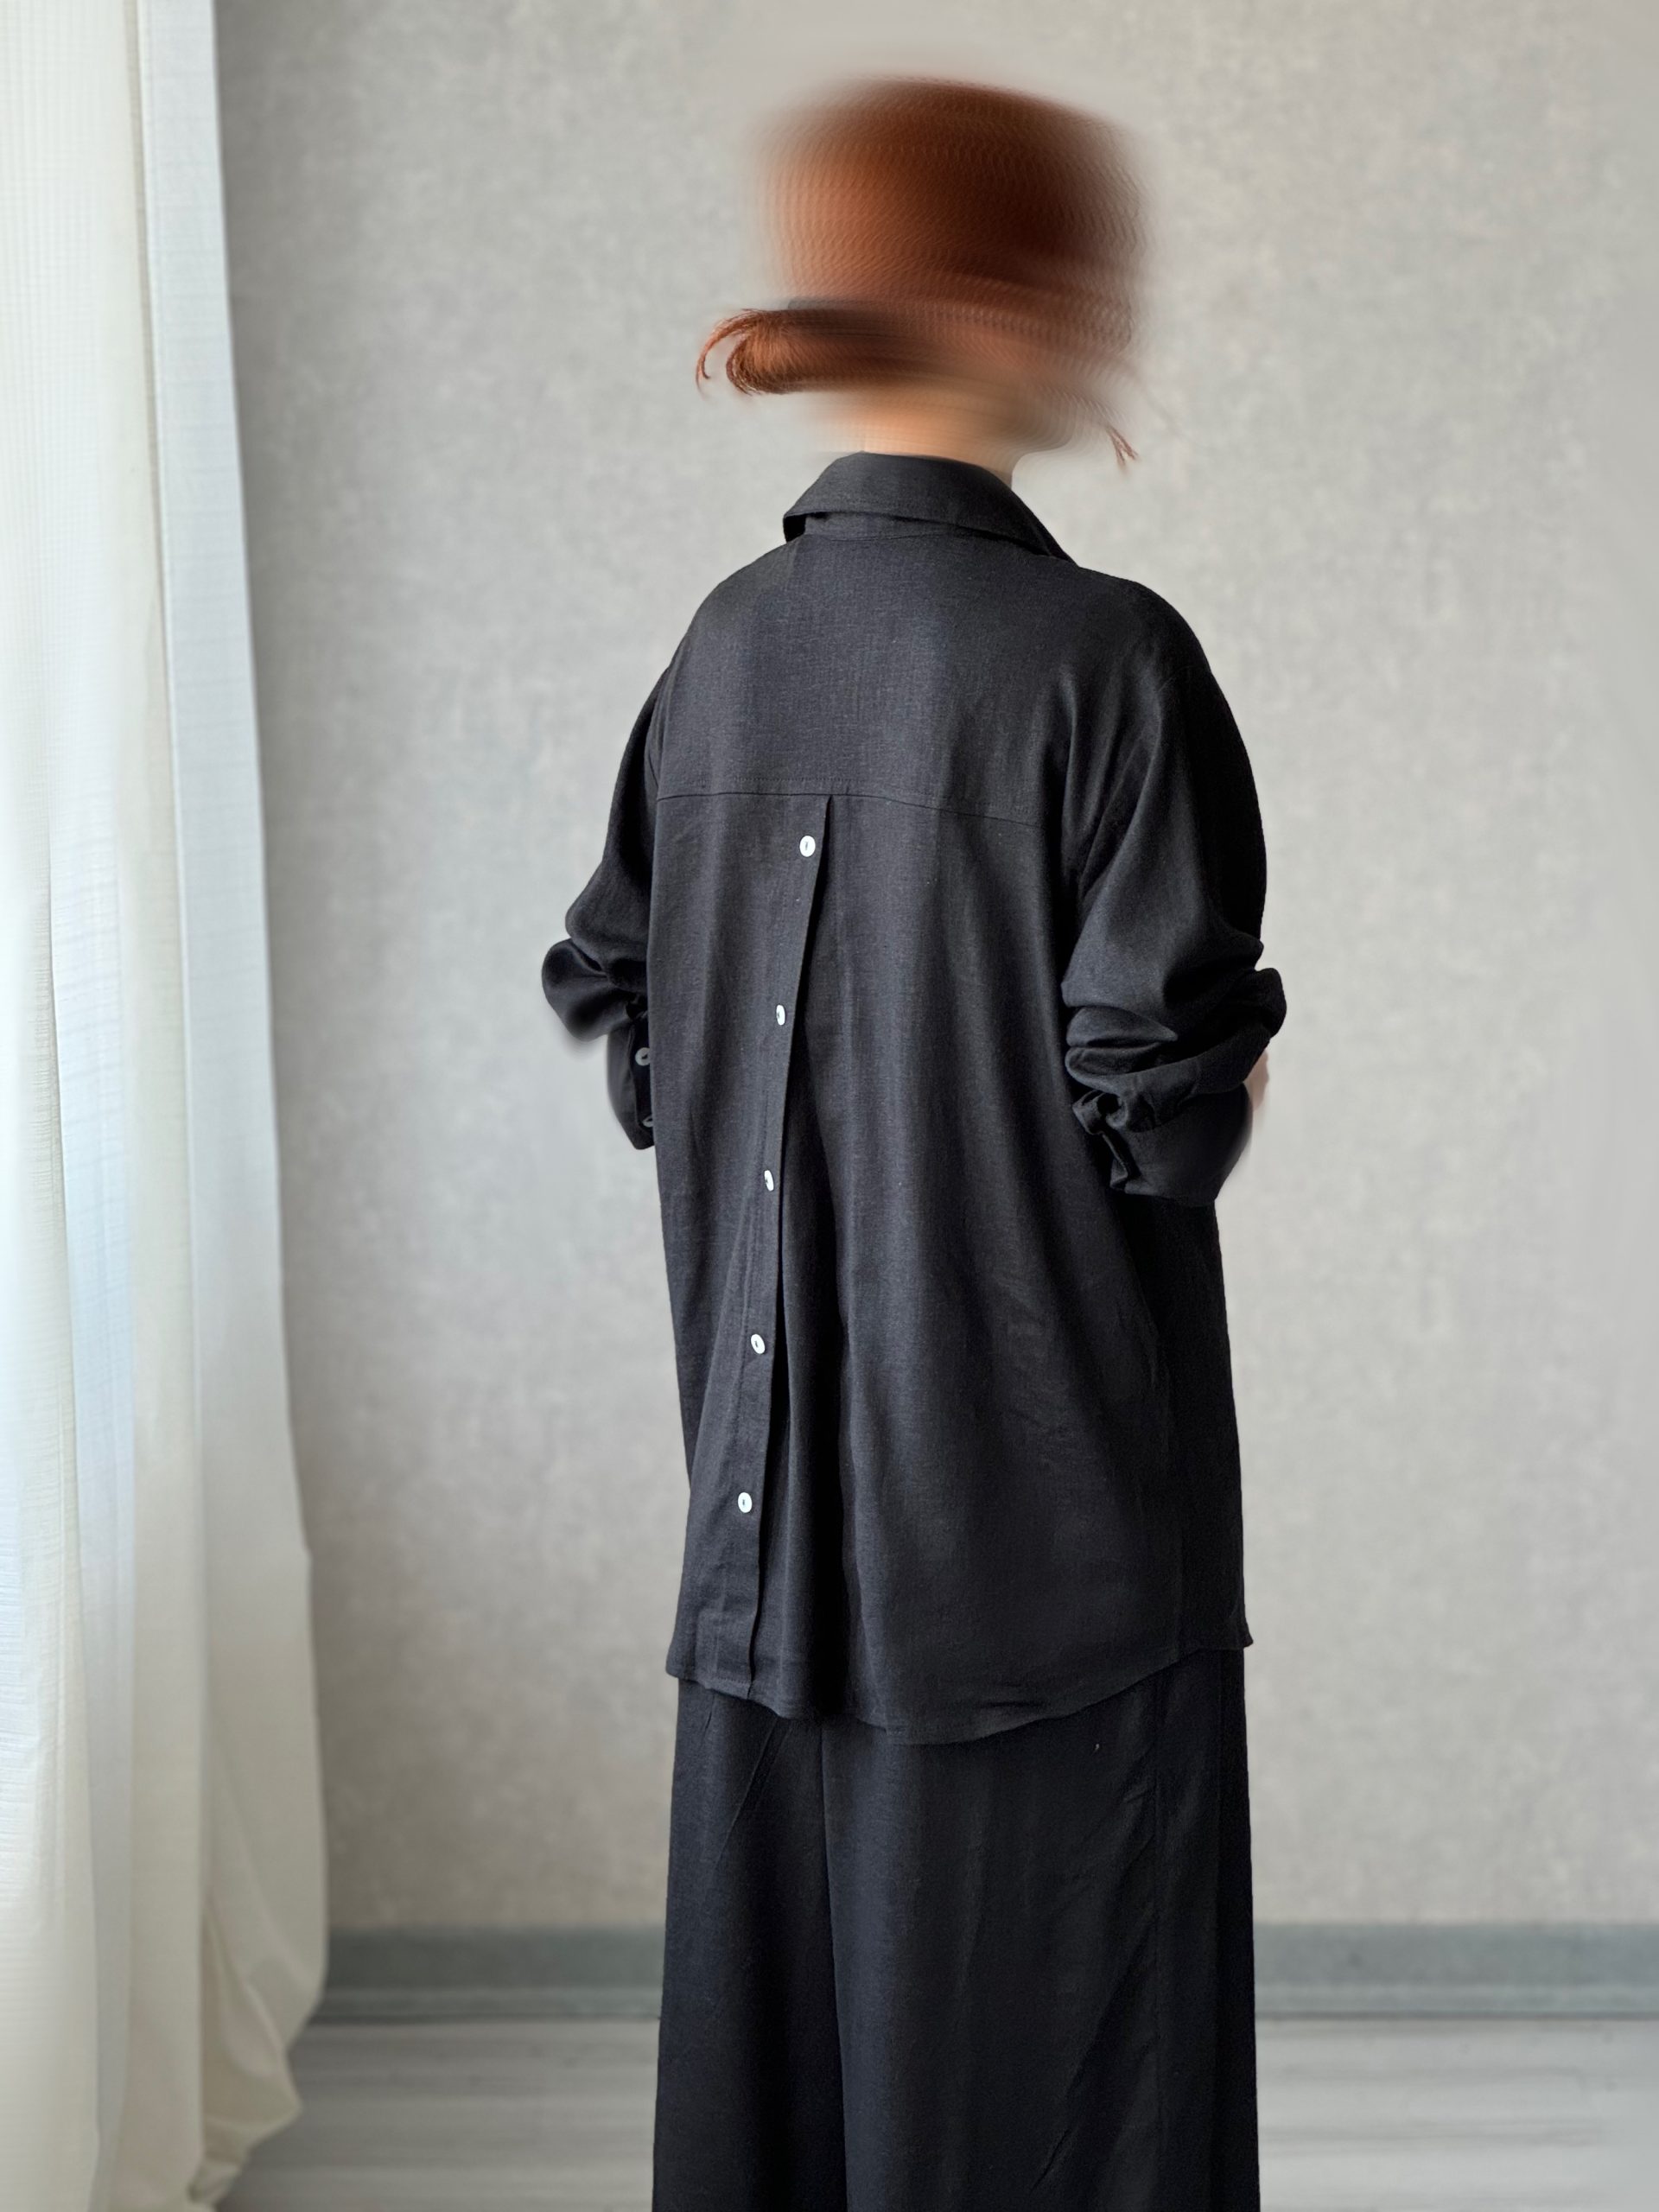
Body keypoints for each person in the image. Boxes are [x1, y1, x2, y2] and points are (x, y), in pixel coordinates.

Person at [543, 74, 1285, 2212]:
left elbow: (635, 1023)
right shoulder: (1108, 664)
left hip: (766, 1551)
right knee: (1076, 2108)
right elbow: (1159, 1117)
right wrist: (1227, 1087)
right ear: (1010, 300)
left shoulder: (724, 649)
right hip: (1052, 1579)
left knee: (782, 2114)